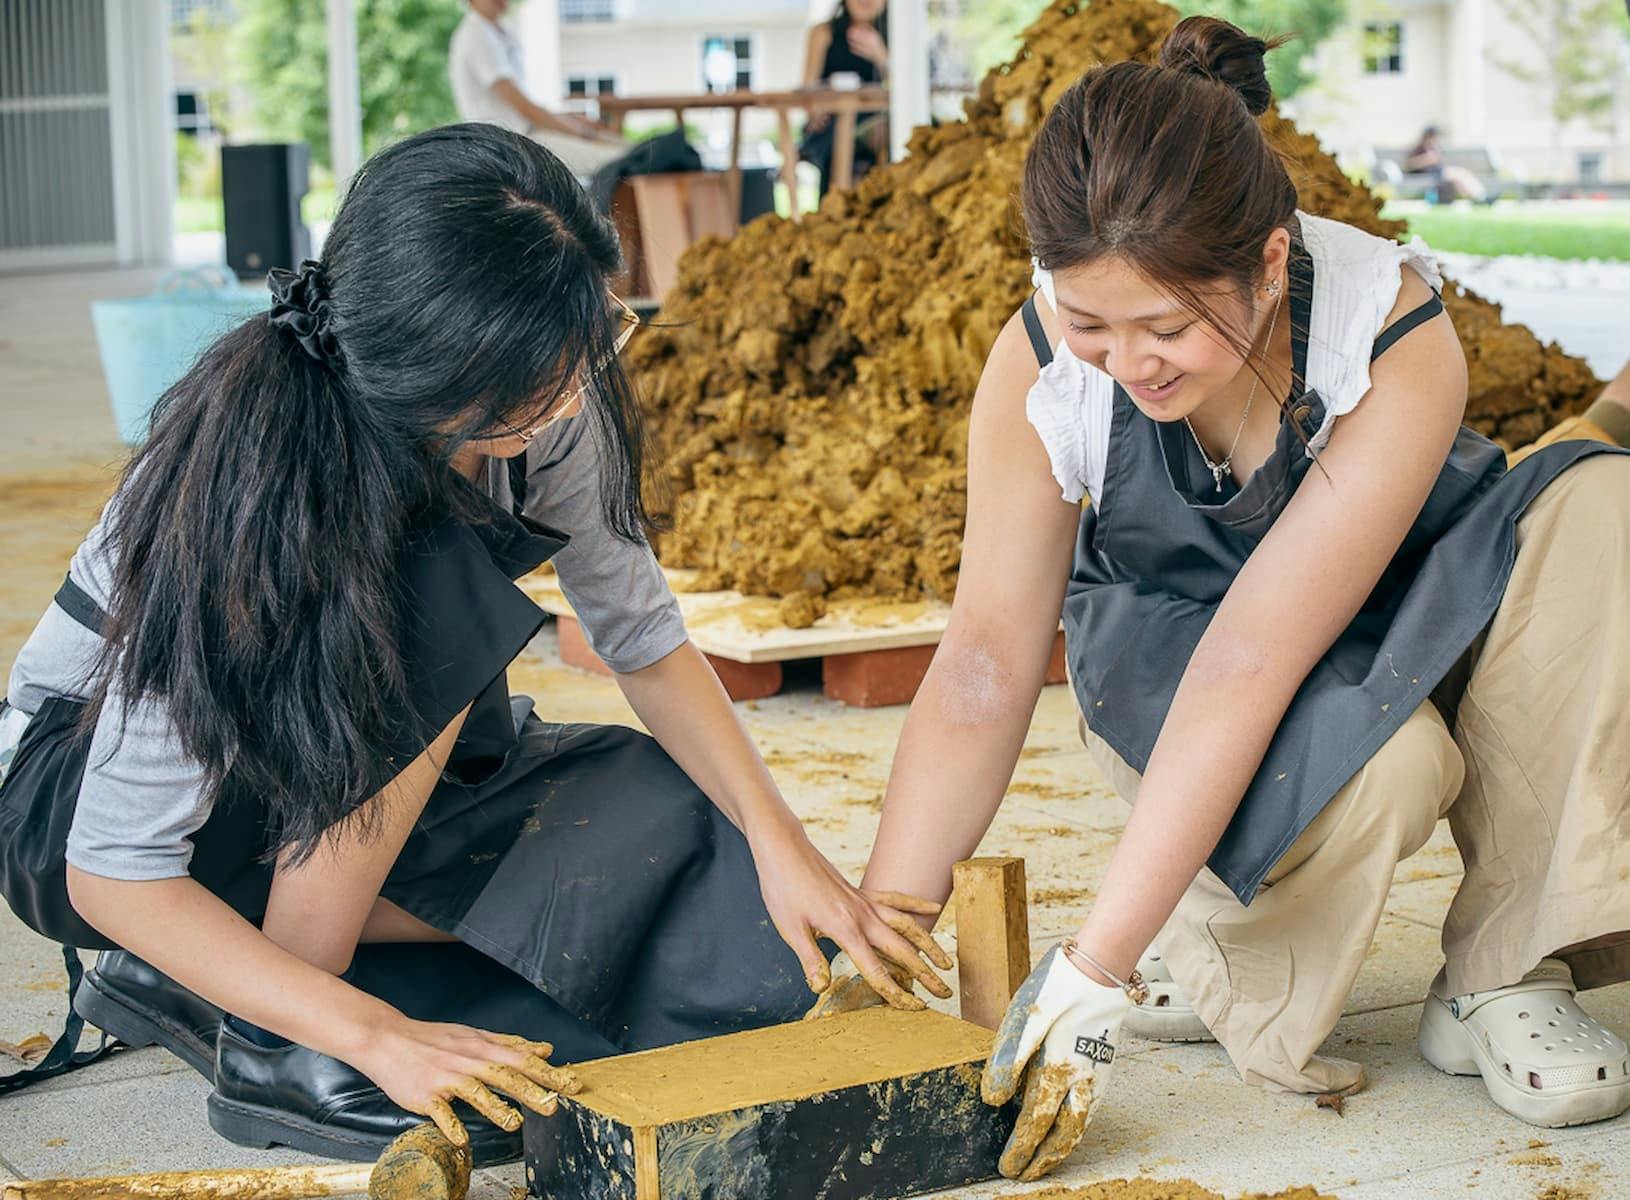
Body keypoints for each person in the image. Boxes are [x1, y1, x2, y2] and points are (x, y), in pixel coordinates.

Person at [0, 124, 949, 1161]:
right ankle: (284, 1027)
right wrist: (374, 1035)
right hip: (82, 802)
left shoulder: (551, 393)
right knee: (439, 592)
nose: (560, 402)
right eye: (518, 387)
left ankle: (197, 962)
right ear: (420, 363)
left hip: (311, 797)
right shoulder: (238, 481)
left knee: (668, 840)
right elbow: (115, 868)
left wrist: (787, 849)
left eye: (577, 356)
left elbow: (640, 639)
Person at [810, 16, 1630, 1181]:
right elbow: (990, 657)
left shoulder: (1389, 327)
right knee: (1386, 762)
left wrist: (1088, 969)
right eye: (1089, 322)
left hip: (1389, 603)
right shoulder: (1044, 363)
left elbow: (1264, 655)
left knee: (1602, 505)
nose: (1127, 364)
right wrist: (888, 930)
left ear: (1269, 267)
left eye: (1165, 329)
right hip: (1175, 645)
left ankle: (1504, 972)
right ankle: (1208, 945)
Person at [449, 0, 626, 179]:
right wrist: (579, 132)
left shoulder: (500, 31)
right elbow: (523, 107)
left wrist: (570, 120)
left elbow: (525, 107)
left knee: (624, 147)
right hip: (510, 143)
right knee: (620, 160)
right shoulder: (475, 36)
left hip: (528, 132)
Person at [800, 0, 890, 197]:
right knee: (843, 133)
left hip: (876, 122)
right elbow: (807, 89)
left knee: (885, 134)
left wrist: (880, 55)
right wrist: (815, 109)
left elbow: (904, 88)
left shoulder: (894, 36)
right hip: (830, 122)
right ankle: (836, 203)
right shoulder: (823, 33)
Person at [1403, 126, 1487, 204]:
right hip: (1431, 174)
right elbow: (1409, 165)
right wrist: (1426, 159)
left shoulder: (1433, 148)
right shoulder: (1418, 149)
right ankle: (1477, 198)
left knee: (1462, 175)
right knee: (1457, 176)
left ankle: (1478, 196)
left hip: (1440, 172)